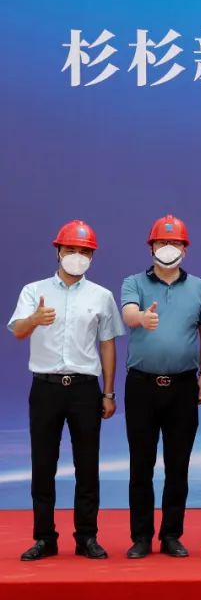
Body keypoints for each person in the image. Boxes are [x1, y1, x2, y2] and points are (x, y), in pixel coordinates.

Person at [8, 220, 124, 561]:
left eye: (84, 251)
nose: (77, 256)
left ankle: (87, 537)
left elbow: (107, 345)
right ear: (58, 251)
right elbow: (18, 331)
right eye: (70, 249)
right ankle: (44, 538)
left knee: (87, 466)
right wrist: (35, 319)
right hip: (46, 388)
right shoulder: (34, 291)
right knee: (43, 465)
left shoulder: (101, 296)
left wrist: (108, 392)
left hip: (85, 390)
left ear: (92, 256)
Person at [120, 214, 201, 559]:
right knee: (140, 465)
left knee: (178, 465)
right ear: (151, 247)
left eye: (175, 243)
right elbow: (129, 313)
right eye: (162, 242)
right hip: (142, 386)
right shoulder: (134, 282)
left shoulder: (199, 287)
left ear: (185, 249)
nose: (168, 248)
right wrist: (142, 318)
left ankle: (171, 535)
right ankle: (141, 537)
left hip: (183, 386)